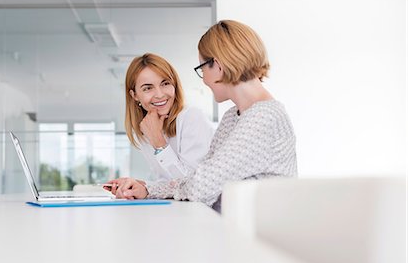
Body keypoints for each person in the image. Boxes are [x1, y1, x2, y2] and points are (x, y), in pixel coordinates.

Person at [108, 20, 297, 212]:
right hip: (234, 226)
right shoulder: (233, 116)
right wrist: (147, 189)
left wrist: (154, 188)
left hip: (258, 235)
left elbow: (200, 187)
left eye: (202, 68)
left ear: (217, 65)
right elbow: (195, 179)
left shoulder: (264, 117)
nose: (205, 79)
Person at [122, 53, 214, 182]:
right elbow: (166, 182)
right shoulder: (145, 128)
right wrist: (143, 187)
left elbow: (192, 184)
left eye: (165, 83)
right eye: (148, 88)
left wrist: (159, 143)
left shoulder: (192, 117)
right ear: (135, 95)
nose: (159, 94)